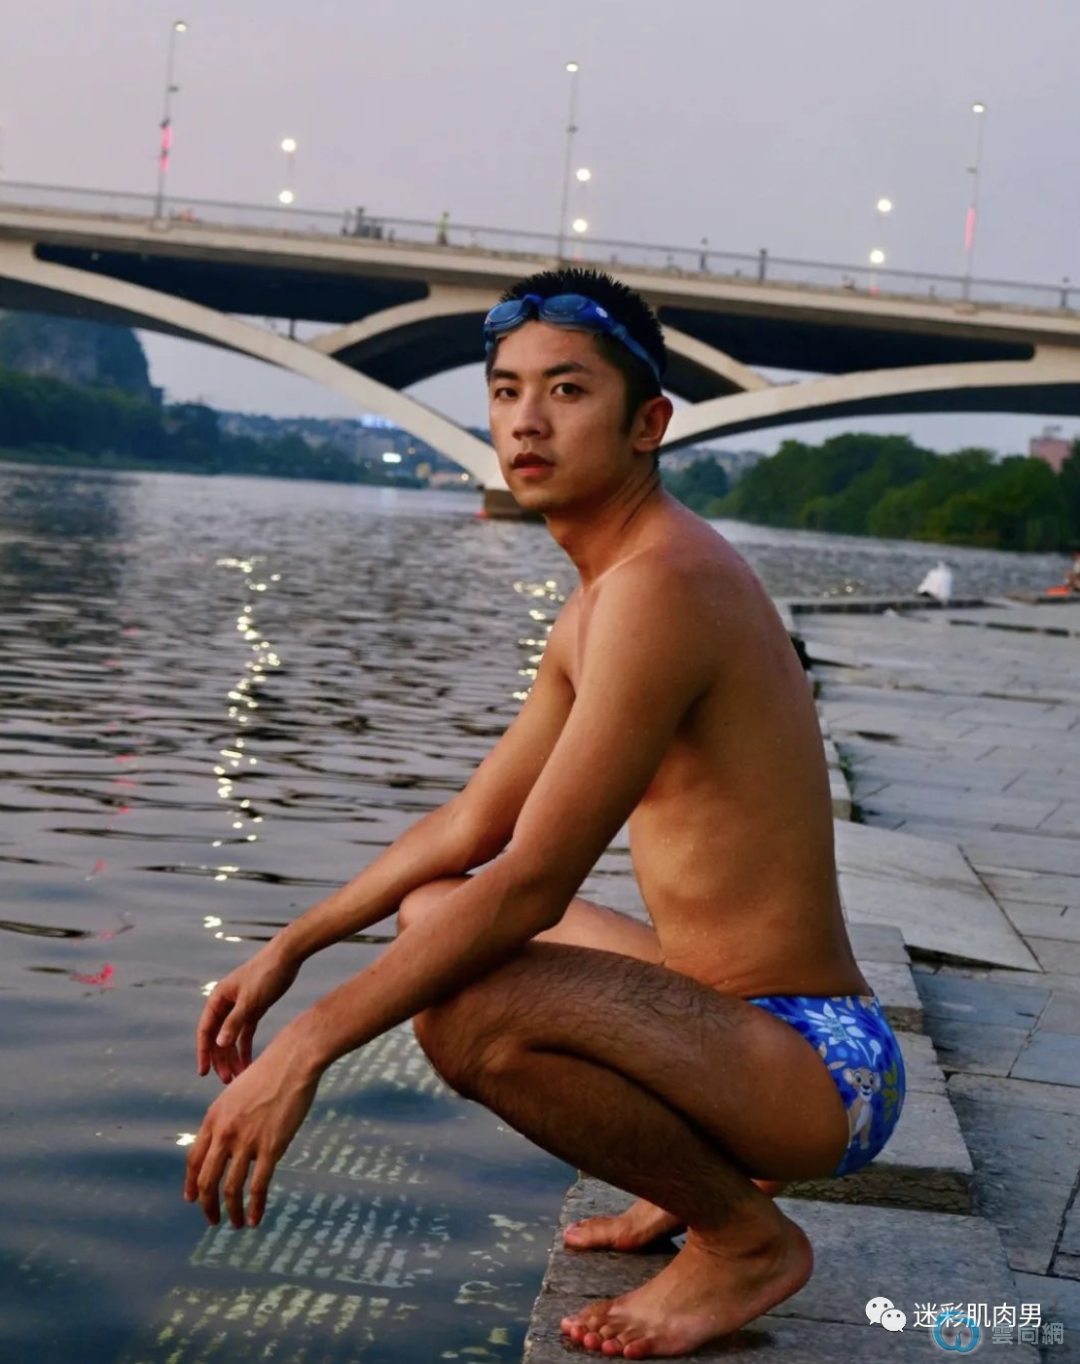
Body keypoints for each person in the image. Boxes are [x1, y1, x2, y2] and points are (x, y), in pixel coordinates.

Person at [184, 267, 906, 1359]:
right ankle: (698, 1178)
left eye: (567, 390)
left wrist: (304, 1050)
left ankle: (745, 1239)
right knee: (434, 910)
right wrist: (291, 945)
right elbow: (472, 826)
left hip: (819, 1066)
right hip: (736, 1028)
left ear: (647, 423)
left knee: (470, 1014)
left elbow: (532, 884)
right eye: (506, 389)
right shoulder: (605, 596)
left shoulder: (662, 588)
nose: (526, 420)